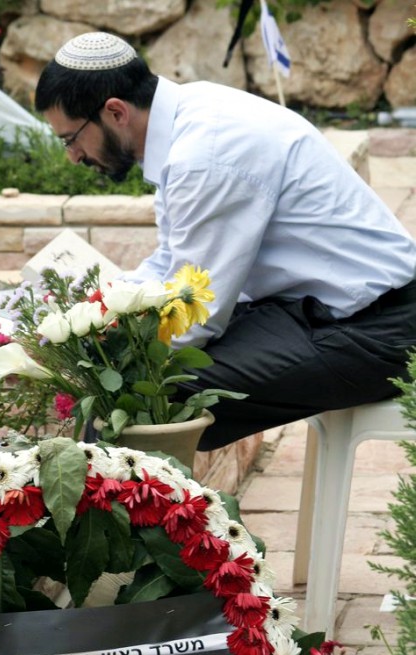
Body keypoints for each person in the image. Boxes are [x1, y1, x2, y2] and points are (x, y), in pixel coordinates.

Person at [34, 32, 416, 449]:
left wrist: (109, 352)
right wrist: (94, 312)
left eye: (70, 139)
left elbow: (198, 312)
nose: (73, 156)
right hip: (328, 312)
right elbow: (174, 263)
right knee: (130, 378)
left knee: (140, 394)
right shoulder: (190, 117)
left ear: (115, 112)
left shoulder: (206, 154)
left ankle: (155, 511)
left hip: (378, 332)